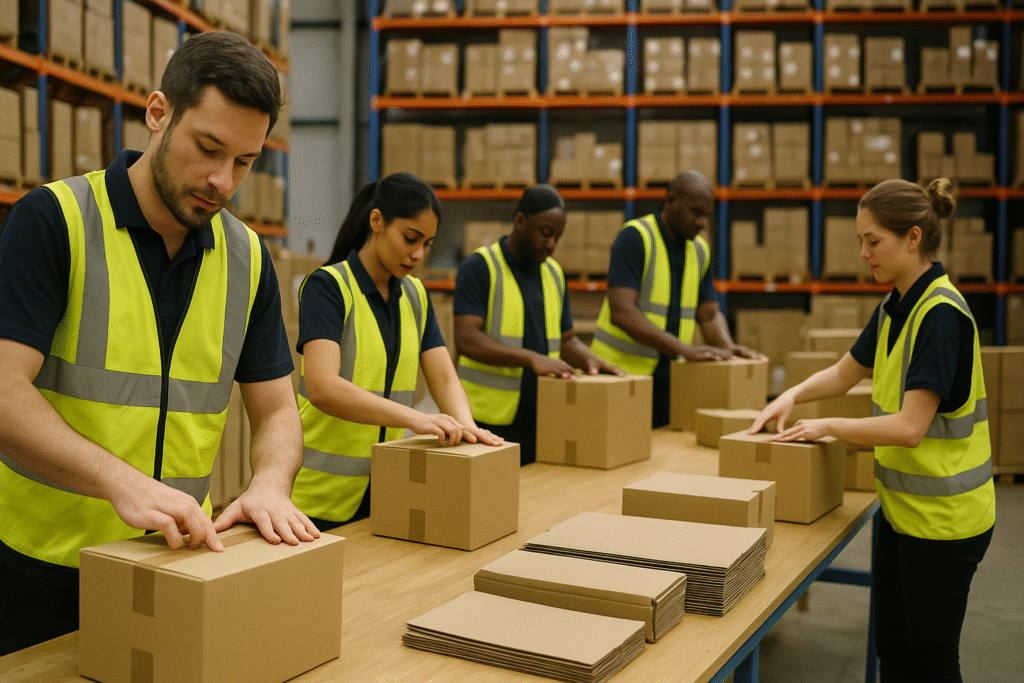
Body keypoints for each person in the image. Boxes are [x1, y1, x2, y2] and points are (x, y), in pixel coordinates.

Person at [0, 31, 320, 655]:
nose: (223, 181)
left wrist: (270, 483)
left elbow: (278, 408)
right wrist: (122, 482)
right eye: (208, 148)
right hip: (36, 570)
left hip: (170, 569)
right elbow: (4, 390)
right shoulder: (54, 220)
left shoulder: (247, 258)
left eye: (245, 162)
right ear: (157, 112)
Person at [749, 178, 995, 683]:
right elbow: (845, 372)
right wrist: (789, 397)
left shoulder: (940, 317)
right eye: (861, 240)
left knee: (930, 664)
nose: (863, 253)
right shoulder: (895, 306)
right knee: (895, 653)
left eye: (873, 241)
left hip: (946, 525)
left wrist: (827, 425)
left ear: (912, 238)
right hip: (905, 515)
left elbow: (909, 428)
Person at [292, 173, 501, 530]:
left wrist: (470, 431)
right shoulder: (328, 288)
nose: (418, 254)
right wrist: (414, 419)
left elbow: (445, 377)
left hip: (389, 487)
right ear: (377, 222)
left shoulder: (416, 297)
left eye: (428, 244)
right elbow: (323, 387)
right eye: (410, 238)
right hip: (318, 498)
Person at [454, 184, 623, 466]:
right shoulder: (481, 266)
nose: (551, 244)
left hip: (542, 415)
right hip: (485, 420)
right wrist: (532, 359)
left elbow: (566, 340)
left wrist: (592, 362)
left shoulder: (554, 274)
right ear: (520, 221)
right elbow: (467, 337)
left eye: (557, 236)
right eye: (545, 233)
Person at [590, 170, 764, 428]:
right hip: (619, 377)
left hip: (671, 380)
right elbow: (621, 311)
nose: (702, 223)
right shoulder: (635, 238)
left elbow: (709, 315)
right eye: (695, 212)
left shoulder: (700, 250)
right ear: (670, 200)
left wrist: (728, 348)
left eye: (706, 215)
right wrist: (684, 349)